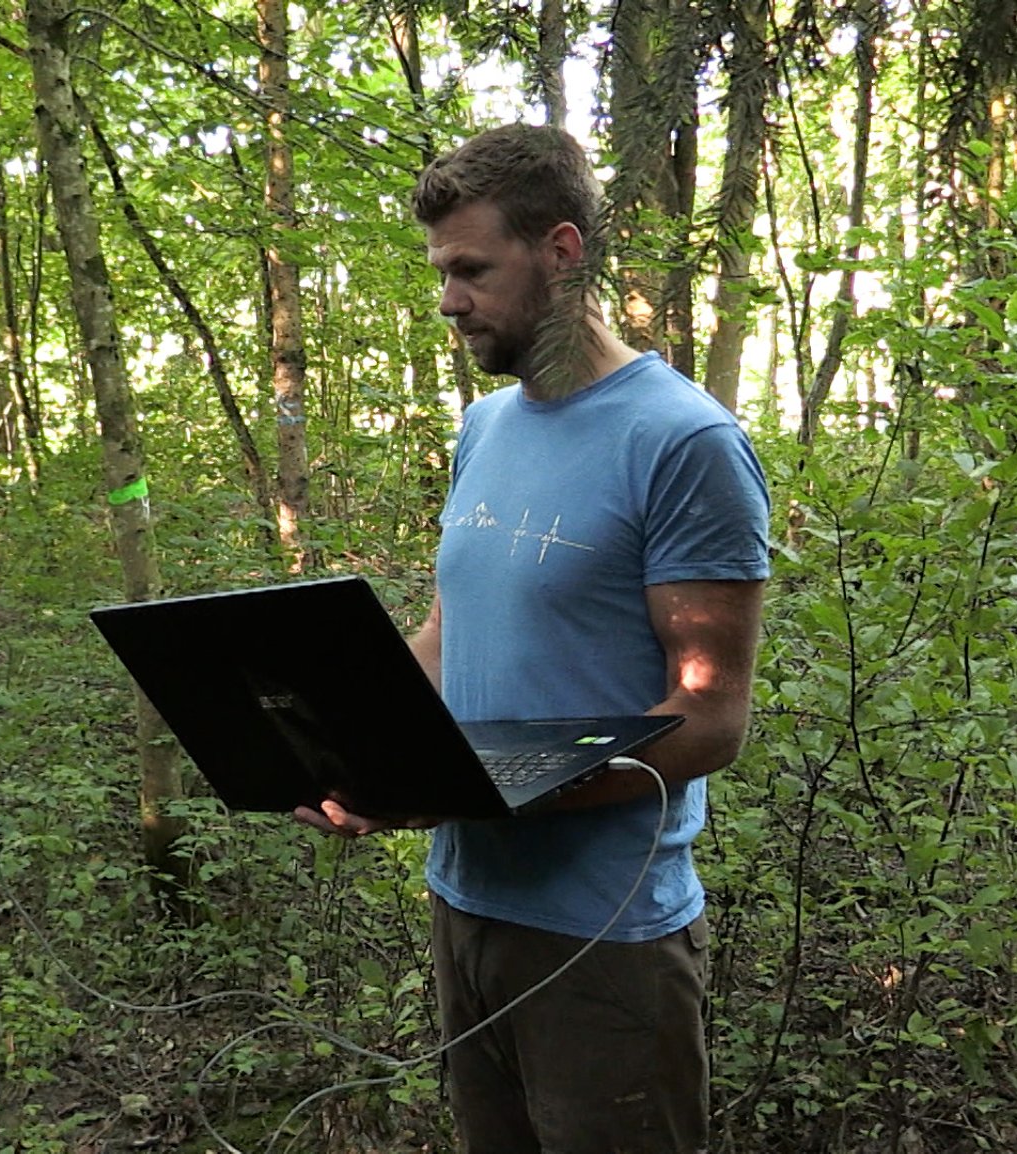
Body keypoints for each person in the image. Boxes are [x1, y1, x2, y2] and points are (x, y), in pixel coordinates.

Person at [295, 123, 770, 1154]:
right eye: (439, 269)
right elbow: (443, 631)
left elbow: (709, 719)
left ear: (560, 251)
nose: (447, 299)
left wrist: (497, 785)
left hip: (604, 931)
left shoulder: (683, 441)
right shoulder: (483, 427)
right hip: (463, 903)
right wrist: (353, 756)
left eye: (471, 268)